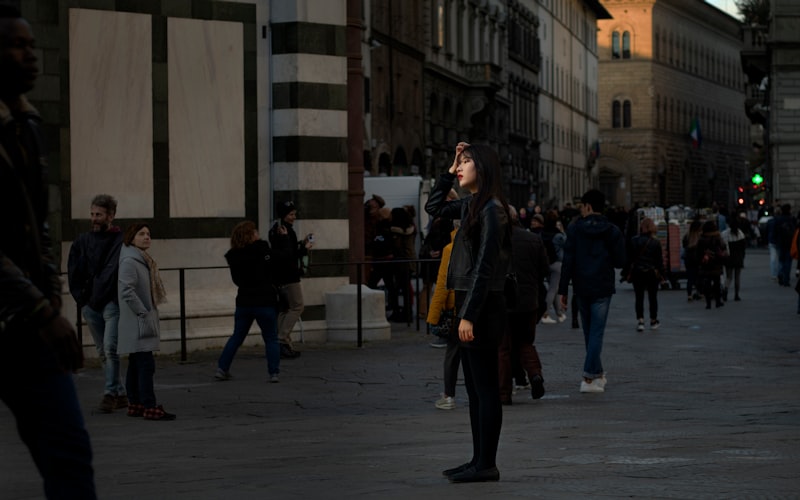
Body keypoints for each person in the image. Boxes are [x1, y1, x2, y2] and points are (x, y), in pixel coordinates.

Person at [0, 7, 96, 496]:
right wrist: (43, 310)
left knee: (69, 455)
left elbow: (39, 223)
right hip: (23, 315)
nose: (31, 56)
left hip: (28, 326)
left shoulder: (28, 125)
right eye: (18, 45)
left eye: (33, 45)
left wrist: (54, 298)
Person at [426, 141, 511, 483]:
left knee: (486, 388)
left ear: (484, 169)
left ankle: (486, 463)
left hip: (482, 307)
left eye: (466, 162)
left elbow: (485, 267)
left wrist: (469, 315)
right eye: (459, 163)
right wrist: (448, 171)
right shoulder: (472, 206)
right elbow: (433, 206)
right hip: (471, 304)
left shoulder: (492, 209)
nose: (460, 167)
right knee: (475, 389)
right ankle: (478, 459)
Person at [558, 189, 626, 394]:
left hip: (581, 286)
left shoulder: (574, 229)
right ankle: (590, 375)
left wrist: (563, 290)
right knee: (596, 332)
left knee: (589, 332)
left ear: (588, 206)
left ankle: (595, 373)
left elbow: (567, 261)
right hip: (602, 286)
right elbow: (620, 261)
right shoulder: (612, 230)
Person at [68, 194, 126, 413]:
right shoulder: (82, 241)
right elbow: (74, 271)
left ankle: (110, 393)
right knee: (103, 350)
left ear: (110, 216)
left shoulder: (121, 241)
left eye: (98, 215)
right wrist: (82, 301)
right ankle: (120, 394)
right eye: (92, 214)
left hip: (111, 303)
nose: (94, 219)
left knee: (110, 348)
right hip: (90, 305)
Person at [216, 221, 287, 383]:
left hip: (244, 301)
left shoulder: (234, 256)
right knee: (271, 338)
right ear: (250, 235)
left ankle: (222, 368)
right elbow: (282, 257)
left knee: (236, 337)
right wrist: (283, 239)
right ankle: (273, 373)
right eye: (255, 231)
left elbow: (237, 281)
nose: (257, 233)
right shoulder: (262, 250)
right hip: (265, 300)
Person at [117, 223, 175, 421]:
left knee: (136, 363)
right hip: (138, 320)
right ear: (131, 237)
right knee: (146, 364)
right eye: (141, 234)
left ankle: (135, 403)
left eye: (148, 234)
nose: (147, 237)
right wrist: (142, 311)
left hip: (139, 319)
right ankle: (149, 406)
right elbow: (126, 290)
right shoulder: (130, 261)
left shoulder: (140, 258)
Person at [498, 206, 549, 405]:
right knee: (525, 342)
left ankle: (503, 394)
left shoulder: (495, 240)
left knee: (503, 348)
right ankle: (535, 374)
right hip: (528, 301)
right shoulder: (533, 239)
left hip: (502, 301)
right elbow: (544, 269)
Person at [269, 200, 313, 359]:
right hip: (289, 275)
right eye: (291, 214)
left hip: (280, 276)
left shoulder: (277, 229)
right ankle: (281, 339)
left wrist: (300, 244)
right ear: (283, 215)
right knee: (298, 307)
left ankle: (281, 343)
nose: (294, 217)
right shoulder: (284, 231)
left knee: (285, 309)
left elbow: (286, 251)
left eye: (294, 213)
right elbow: (288, 255)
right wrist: (304, 249)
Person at [426, 225, 460, 409]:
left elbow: (443, 284)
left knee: (453, 354)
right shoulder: (483, 244)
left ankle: (448, 396)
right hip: (478, 308)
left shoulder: (450, 249)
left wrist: (433, 316)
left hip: (456, 310)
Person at [626, 217, 665, 331]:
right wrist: (662, 275)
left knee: (639, 297)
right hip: (651, 272)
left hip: (638, 272)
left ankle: (641, 320)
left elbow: (630, 259)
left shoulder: (634, 240)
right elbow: (659, 262)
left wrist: (627, 272)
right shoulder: (656, 242)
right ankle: (653, 320)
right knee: (653, 297)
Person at [539, 209, 566, 324]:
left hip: (545, 262)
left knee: (552, 287)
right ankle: (545, 313)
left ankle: (559, 313)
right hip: (557, 263)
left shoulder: (542, 233)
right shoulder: (558, 235)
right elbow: (566, 243)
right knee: (553, 289)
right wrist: (562, 231)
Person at [696, 220, 727, 309]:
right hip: (716, 263)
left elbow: (698, 253)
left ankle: (708, 303)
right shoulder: (717, 237)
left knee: (707, 283)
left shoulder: (701, 239)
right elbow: (723, 247)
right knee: (717, 283)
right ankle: (717, 301)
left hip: (706, 264)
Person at [721, 216, 747, 301]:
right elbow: (743, 247)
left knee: (729, 276)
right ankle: (736, 295)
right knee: (737, 277)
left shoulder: (724, 234)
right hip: (738, 257)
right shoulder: (740, 234)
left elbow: (723, 246)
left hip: (729, 258)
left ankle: (725, 289)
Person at [682, 219, 703, 301]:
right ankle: (700, 292)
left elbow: (684, 246)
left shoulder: (687, 236)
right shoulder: (700, 237)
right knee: (699, 277)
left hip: (688, 260)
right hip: (698, 259)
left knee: (690, 278)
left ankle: (689, 295)